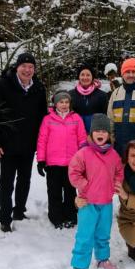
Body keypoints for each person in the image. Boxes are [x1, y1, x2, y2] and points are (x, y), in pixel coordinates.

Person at [0, 52, 48, 232]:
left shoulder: (38, 88)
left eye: (31, 67)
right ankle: (5, 218)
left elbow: (42, 117)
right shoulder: (3, 85)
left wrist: (42, 144)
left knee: (25, 179)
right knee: (6, 182)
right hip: (7, 144)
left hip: (28, 144)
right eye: (24, 66)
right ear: (17, 67)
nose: (27, 70)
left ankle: (19, 210)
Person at [67, 114, 124, 269]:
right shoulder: (83, 153)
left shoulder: (114, 155)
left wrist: (116, 184)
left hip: (106, 203)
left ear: (109, 134)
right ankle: (78, 268)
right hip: (88, 203)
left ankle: (102, 259)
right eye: (97, 130)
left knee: (103, 234)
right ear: (91, 133)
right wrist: (85, 186)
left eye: (104, 131)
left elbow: (119, 171)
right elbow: (73, 172)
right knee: (85, 236)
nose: (101, 133)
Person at [36, 90, 86, 229]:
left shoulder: (76, 118)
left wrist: (82, 159)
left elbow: (82, 139)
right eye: (61, 102)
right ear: (55, 104)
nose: (64, 105)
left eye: (66, 102)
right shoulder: (48, 119)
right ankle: (56, 217)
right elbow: (42, 140)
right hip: (53, 164)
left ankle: (70, 215)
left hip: (72, 163)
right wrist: (41, 160)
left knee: (70, 192)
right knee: (54, 192)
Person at [68, 64, 108, 133]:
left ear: (92, 77)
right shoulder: (70, 95)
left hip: (95, 136)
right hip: (75, 135)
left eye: (88, 75)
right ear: (79, 77)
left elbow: (105, 118)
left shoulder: (102, 95)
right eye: (82, 75)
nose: (85, 77)